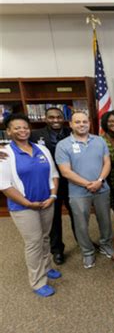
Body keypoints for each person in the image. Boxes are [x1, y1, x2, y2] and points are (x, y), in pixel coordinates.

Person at [0, 113, 61, 297]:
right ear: (9, 131)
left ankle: (47, 266)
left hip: (46, 202)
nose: (22, 130)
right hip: (24, 207)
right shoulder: (5, 154)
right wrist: (28, 203)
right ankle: (37, 281)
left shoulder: (42, 149)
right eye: (16, 128)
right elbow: (5, 185)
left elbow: (54, 174)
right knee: (33, 243)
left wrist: (53, 195)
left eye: (25, 127)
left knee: (44, 237)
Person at [55, 111, 114, 269]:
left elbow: (107, 163)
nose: (81, 125)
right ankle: (87, 252)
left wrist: (99, 181)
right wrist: (89, 184)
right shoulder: (63, 145)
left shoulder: (99, 141)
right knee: (81, 224)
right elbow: (65, 171)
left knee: (105, 221)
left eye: (84, 122)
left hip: (101, 188)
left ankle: (106, 245)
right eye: (77, 122)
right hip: (78, 192)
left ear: (89, 123)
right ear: (71, 124)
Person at [30, 107, 74, 265]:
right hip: (49, 183)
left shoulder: (72, 131)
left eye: (58, 117)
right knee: (54, 218)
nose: (55, 120)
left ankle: (83, 243)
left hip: (72, 181)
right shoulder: (35, 135)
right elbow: (19, 146)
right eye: (51, 117)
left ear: (64, 118)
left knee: (76, 214)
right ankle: (57, 250)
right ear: (45, 118)